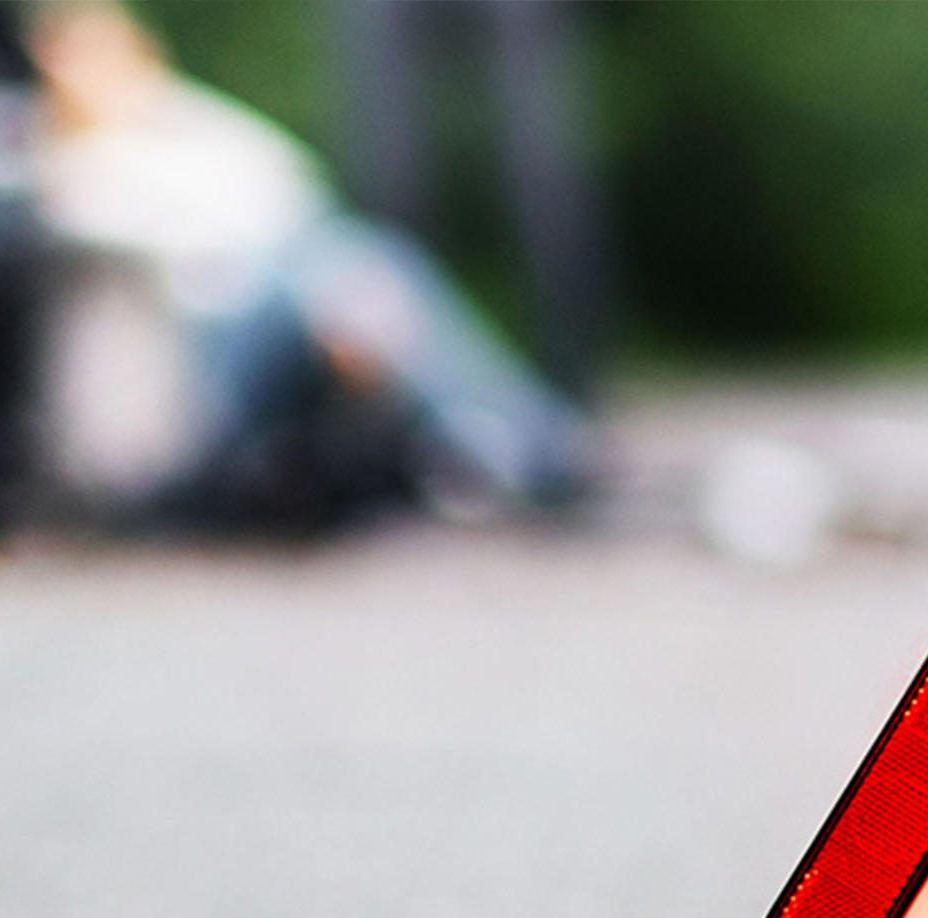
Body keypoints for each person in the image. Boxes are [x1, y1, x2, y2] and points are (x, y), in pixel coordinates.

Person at [30, 2, 590, 532]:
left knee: (364, 264)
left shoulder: (186, 124)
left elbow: (294, 187)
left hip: (279, 313)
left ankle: (498, 443)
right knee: (348, 271)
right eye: (75, 61)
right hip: (201, 369)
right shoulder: (50, 158)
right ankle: (513, 444)